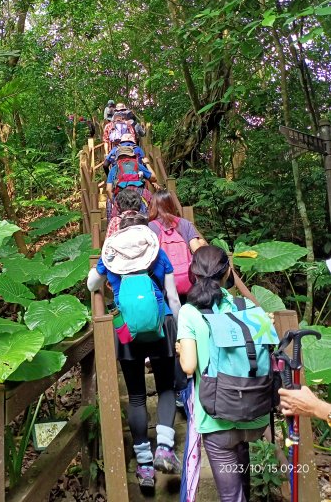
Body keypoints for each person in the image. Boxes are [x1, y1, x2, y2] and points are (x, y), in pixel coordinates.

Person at [87, 213, 182, 489]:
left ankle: (144, 466)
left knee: (138, 396)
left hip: (127, 331)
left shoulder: (111, 258)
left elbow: (93, 284)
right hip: (162, 324)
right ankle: (164, 448)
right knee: (165, 388)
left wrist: (108, 291)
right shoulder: (158, 254)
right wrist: (179, 329)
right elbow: (173, 296)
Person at [177, 246, 269, 502]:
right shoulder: (246, 305)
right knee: (242, 467)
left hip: (216, 418)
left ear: (193, 274)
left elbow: (188, 366)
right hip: (253, 413)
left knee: (231, 495)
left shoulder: (190, 312)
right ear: (228, 272)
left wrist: (182, 347)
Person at [148, 190, 207, 405]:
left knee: (171, 337)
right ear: (173, 204)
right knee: (189, 332)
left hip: (164, 288)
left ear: (153, 206)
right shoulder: (184, 224)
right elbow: (197, 252)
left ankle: (176, 385)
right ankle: (193, 383)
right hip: (189, 285)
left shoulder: (151, 227)